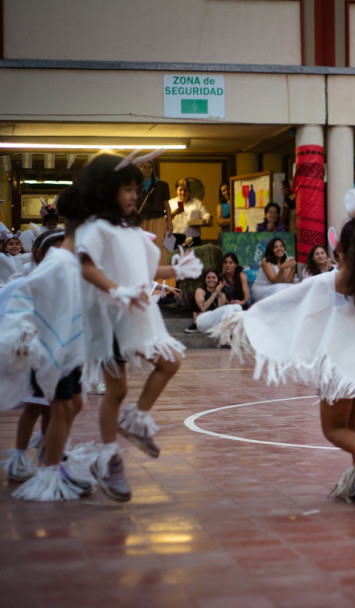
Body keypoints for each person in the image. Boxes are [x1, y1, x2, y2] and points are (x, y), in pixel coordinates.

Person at [198, 215, 355, 502]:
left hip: (338, 369)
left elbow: (284, 303)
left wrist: (247, 318)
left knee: (334, 428)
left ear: (340, 251)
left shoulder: (330, 281)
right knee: (354, 424)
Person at [56, 151, 203, 502]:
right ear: (107, 191)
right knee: (117, 389)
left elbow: (145, 269)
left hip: (134, 314)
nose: (135, 195)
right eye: (127, 189)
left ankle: (136, 420)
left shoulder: (129, 228)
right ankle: (108, 458)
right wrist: (116, 290)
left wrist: (176, 272)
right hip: (106, 317)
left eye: (136, 188)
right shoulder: (95, 228)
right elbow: (85, 265)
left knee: (170, 361)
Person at [0, 228, 93, 501]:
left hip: (63, 354)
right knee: (46, 408)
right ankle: (47, 466)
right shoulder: (31, 280)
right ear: (42, 252)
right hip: (43, 355)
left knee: (60, 407)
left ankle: (46, 453)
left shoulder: (66, 277)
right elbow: (13, 308)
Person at [137, 160, 172, 262]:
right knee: (142, 247)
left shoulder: (162, 185)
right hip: (142, 221)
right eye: (144, 167)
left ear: (153, 169)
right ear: (140, 169)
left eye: (149, 167)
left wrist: (169, 222)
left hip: (158, 220)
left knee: (159, 246)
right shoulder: (136, 186)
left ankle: (161, 275)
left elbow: (166, 205)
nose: (147, 170)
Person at [169, 177, 211, 247]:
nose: (183, 192)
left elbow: (206, 214)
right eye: (180, 190)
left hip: (194, 238)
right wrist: (174, 213)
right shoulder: (170, 203)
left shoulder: (197, 203)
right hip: (176, 238)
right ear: (176, 191)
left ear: (189, 191)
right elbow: (164, 219)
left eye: (185, 190)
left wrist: (208, 218)